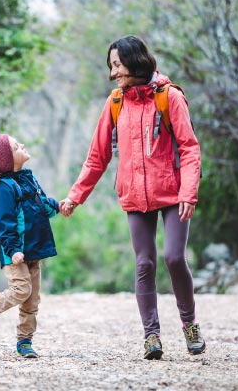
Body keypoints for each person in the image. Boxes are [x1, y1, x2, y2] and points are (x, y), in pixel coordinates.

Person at [60, 35, 205, 360]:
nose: (113, 73)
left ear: (134, 61)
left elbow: (190, 148)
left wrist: (188, 192)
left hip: (172, 193)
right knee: (144, 263)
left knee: (173, 257)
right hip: (134, 196)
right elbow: (97, 157)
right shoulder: (115, 103)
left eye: (117, 65)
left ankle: (190, 325)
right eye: (111, 66)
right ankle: (151, 336)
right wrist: (75, 196)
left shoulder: (169, 97)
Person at [0, 133, 59, 358]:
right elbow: (3, 223)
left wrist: (58, 206)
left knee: (32, 299)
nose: (23, 145)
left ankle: (24, 342)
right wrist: (14, 249)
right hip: (14, 252)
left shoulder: (27, 179)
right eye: (17, 146)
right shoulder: (3, 188)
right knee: (21, 289)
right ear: (7, 159)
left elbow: (40, 205)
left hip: (34, 248)